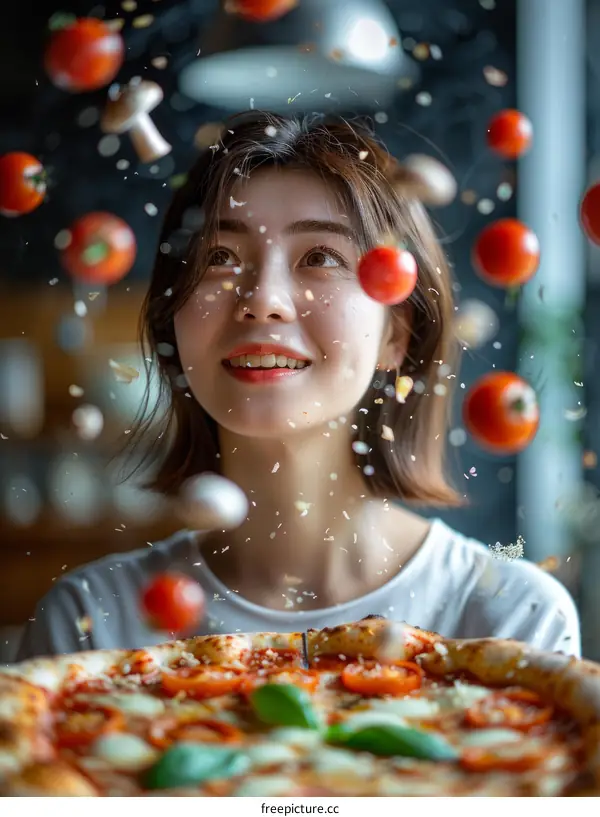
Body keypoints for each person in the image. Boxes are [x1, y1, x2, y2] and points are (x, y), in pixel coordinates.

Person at [16, 111, 580, 662]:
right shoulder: (91, 622)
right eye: (219, 257)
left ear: (396, 333)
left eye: (320, 257)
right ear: (174, 325)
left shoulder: (511, 617)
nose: (263, 299)